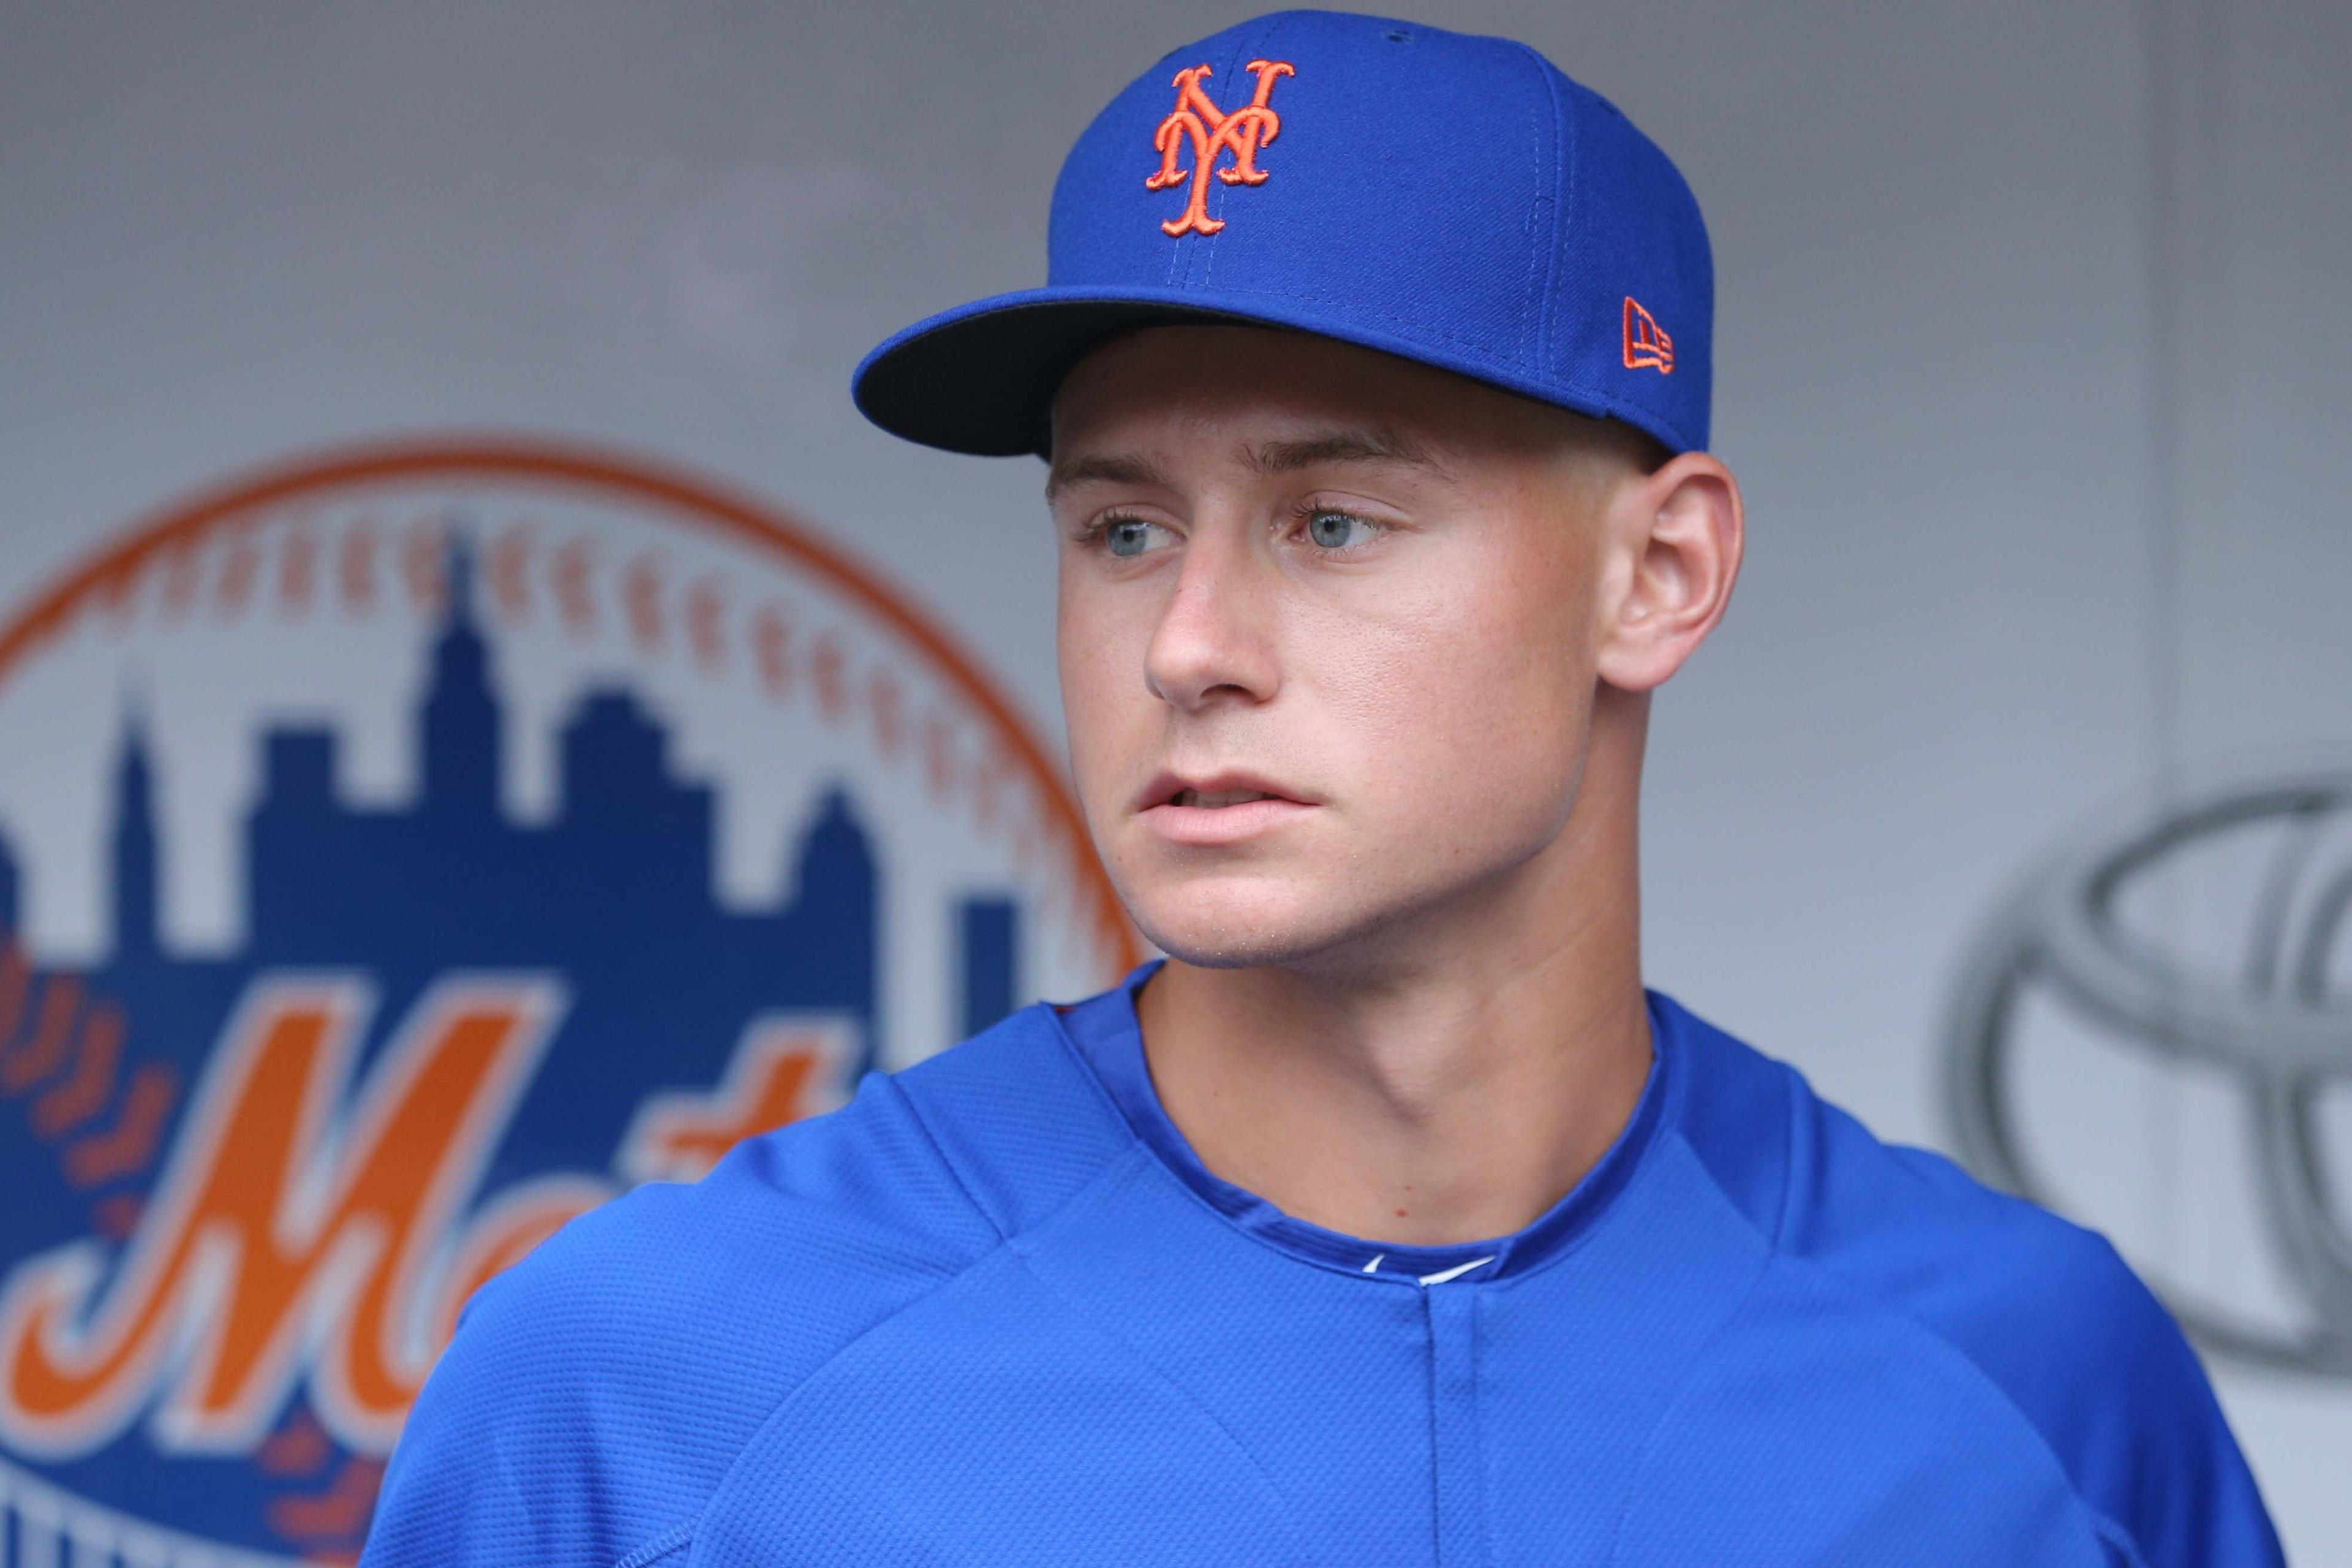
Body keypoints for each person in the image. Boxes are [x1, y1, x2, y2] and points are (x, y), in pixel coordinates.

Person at [361, 12, 2283, 1566]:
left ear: (1660, 575)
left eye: (1333, 519)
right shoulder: (649, 1383)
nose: (1188, 642)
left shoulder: (2032, 1384)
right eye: (1121, 528)